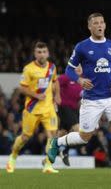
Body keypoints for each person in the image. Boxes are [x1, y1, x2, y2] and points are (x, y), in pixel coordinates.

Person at [46, 13, 111, 178]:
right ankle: (58, 142)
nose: (99, 25)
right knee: (84, 137)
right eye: (95, 23)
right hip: (91, 99)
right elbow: (70, 69)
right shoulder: (82, 47)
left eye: (101, 22)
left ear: (105, 25)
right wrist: (79, 79)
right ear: (89, 27)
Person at [6, 41, 61, 174]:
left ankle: (48, 165)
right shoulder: (28, 69)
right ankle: (13, 157)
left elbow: (55, 81)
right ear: (35, 54)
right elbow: (22, 88)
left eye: (44, 52)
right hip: (32, 109)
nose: (42, 55)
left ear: (47, 53)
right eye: (39, 52)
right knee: (25, 137)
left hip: (48, 109)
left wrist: (57, 95)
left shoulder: (52, 67)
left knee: (52, 135)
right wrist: (36, 95)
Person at [57, 65, 83, 166]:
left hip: (74, 110)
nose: (78, 68)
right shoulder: (67, 76)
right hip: (64, 108)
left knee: (62, 133)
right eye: (76, 66)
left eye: (81, 66)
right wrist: (56, 96)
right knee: (78, 130)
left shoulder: (83, 81)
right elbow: (54, 84)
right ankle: (63, 151)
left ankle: (54, 153)